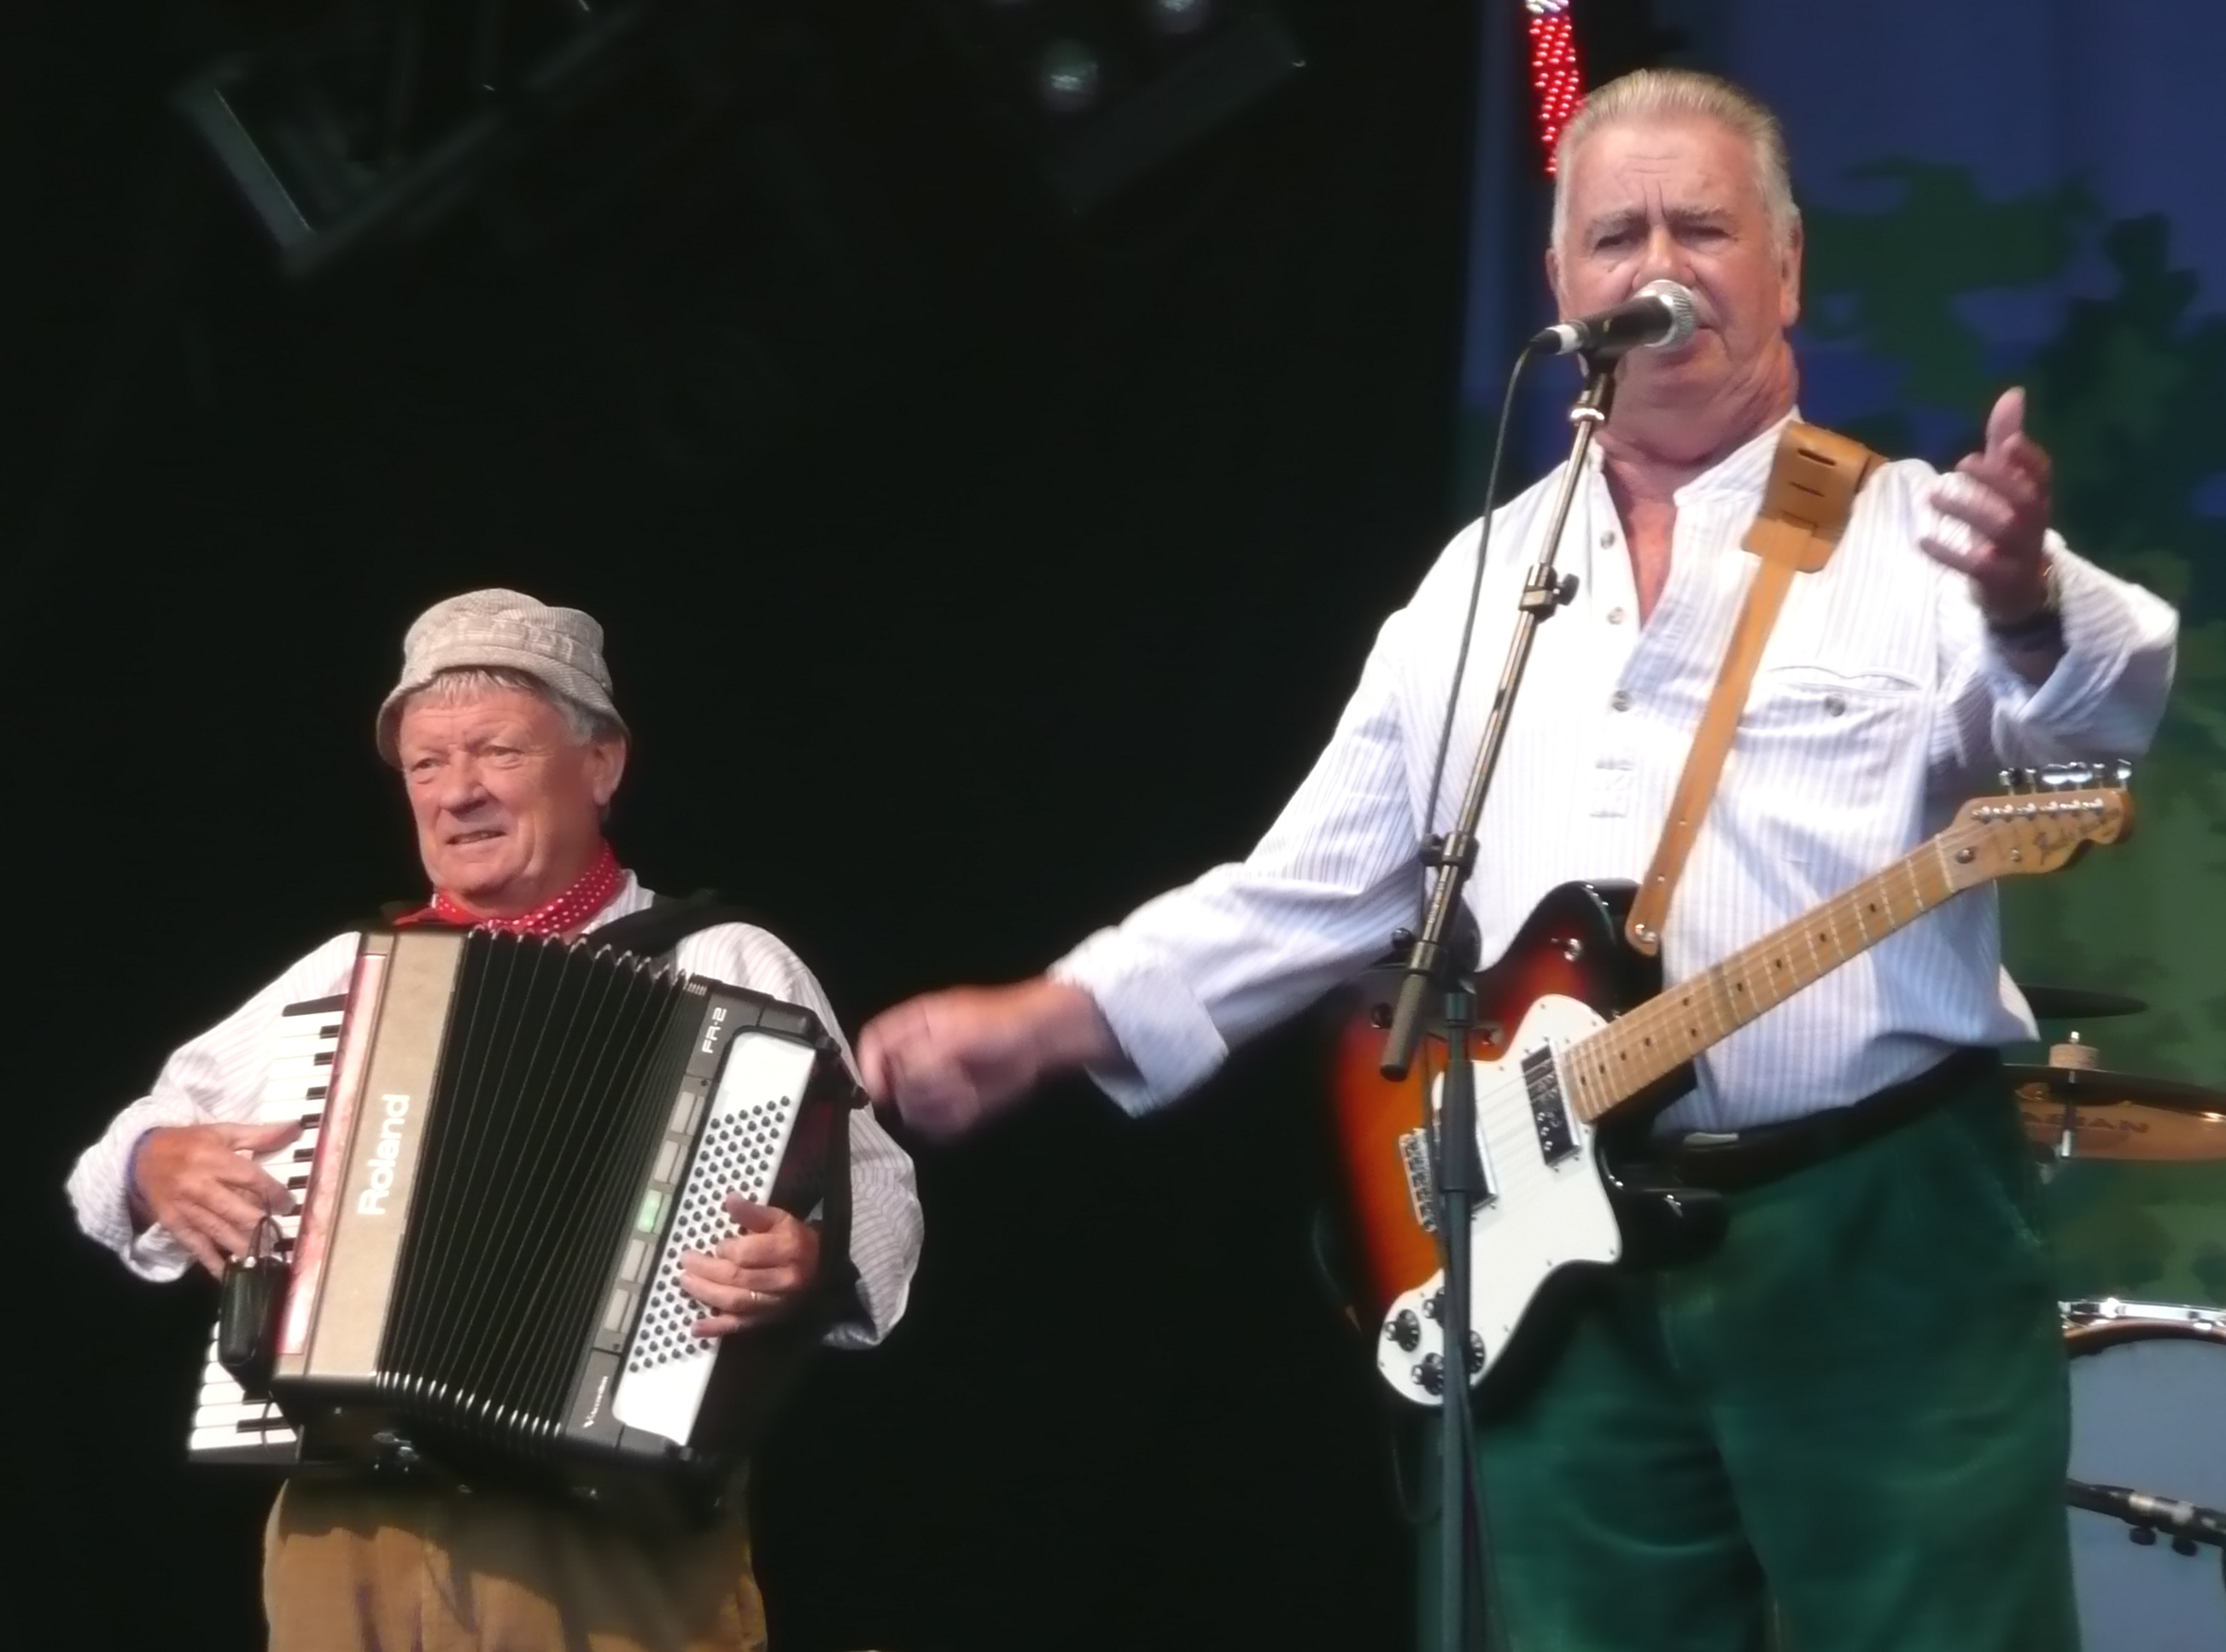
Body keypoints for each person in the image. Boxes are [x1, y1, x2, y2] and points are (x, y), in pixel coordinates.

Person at [856, 68, 2178, 1652]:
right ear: (1562, 286)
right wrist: (1048, 1020)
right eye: (1614, 234)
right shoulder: (1483, 578)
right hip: (1561, 1257)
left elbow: (2100, 705)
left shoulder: (1907, 531)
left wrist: (2029, 595)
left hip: (1874, 1232)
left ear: (1785, 266)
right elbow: (1310, 888)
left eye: (1701, 225)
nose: (1655, 264)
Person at [68, 587, 923, 1652]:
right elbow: (113, 1155)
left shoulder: (725, 966)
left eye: (497, 754)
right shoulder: (342, 981)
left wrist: (809, 1263)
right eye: (428, 765)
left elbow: (880, 1196)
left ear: (601, 765)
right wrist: (156, 1163)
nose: (457, 792)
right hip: (349, 1531)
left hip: (609, 1541)